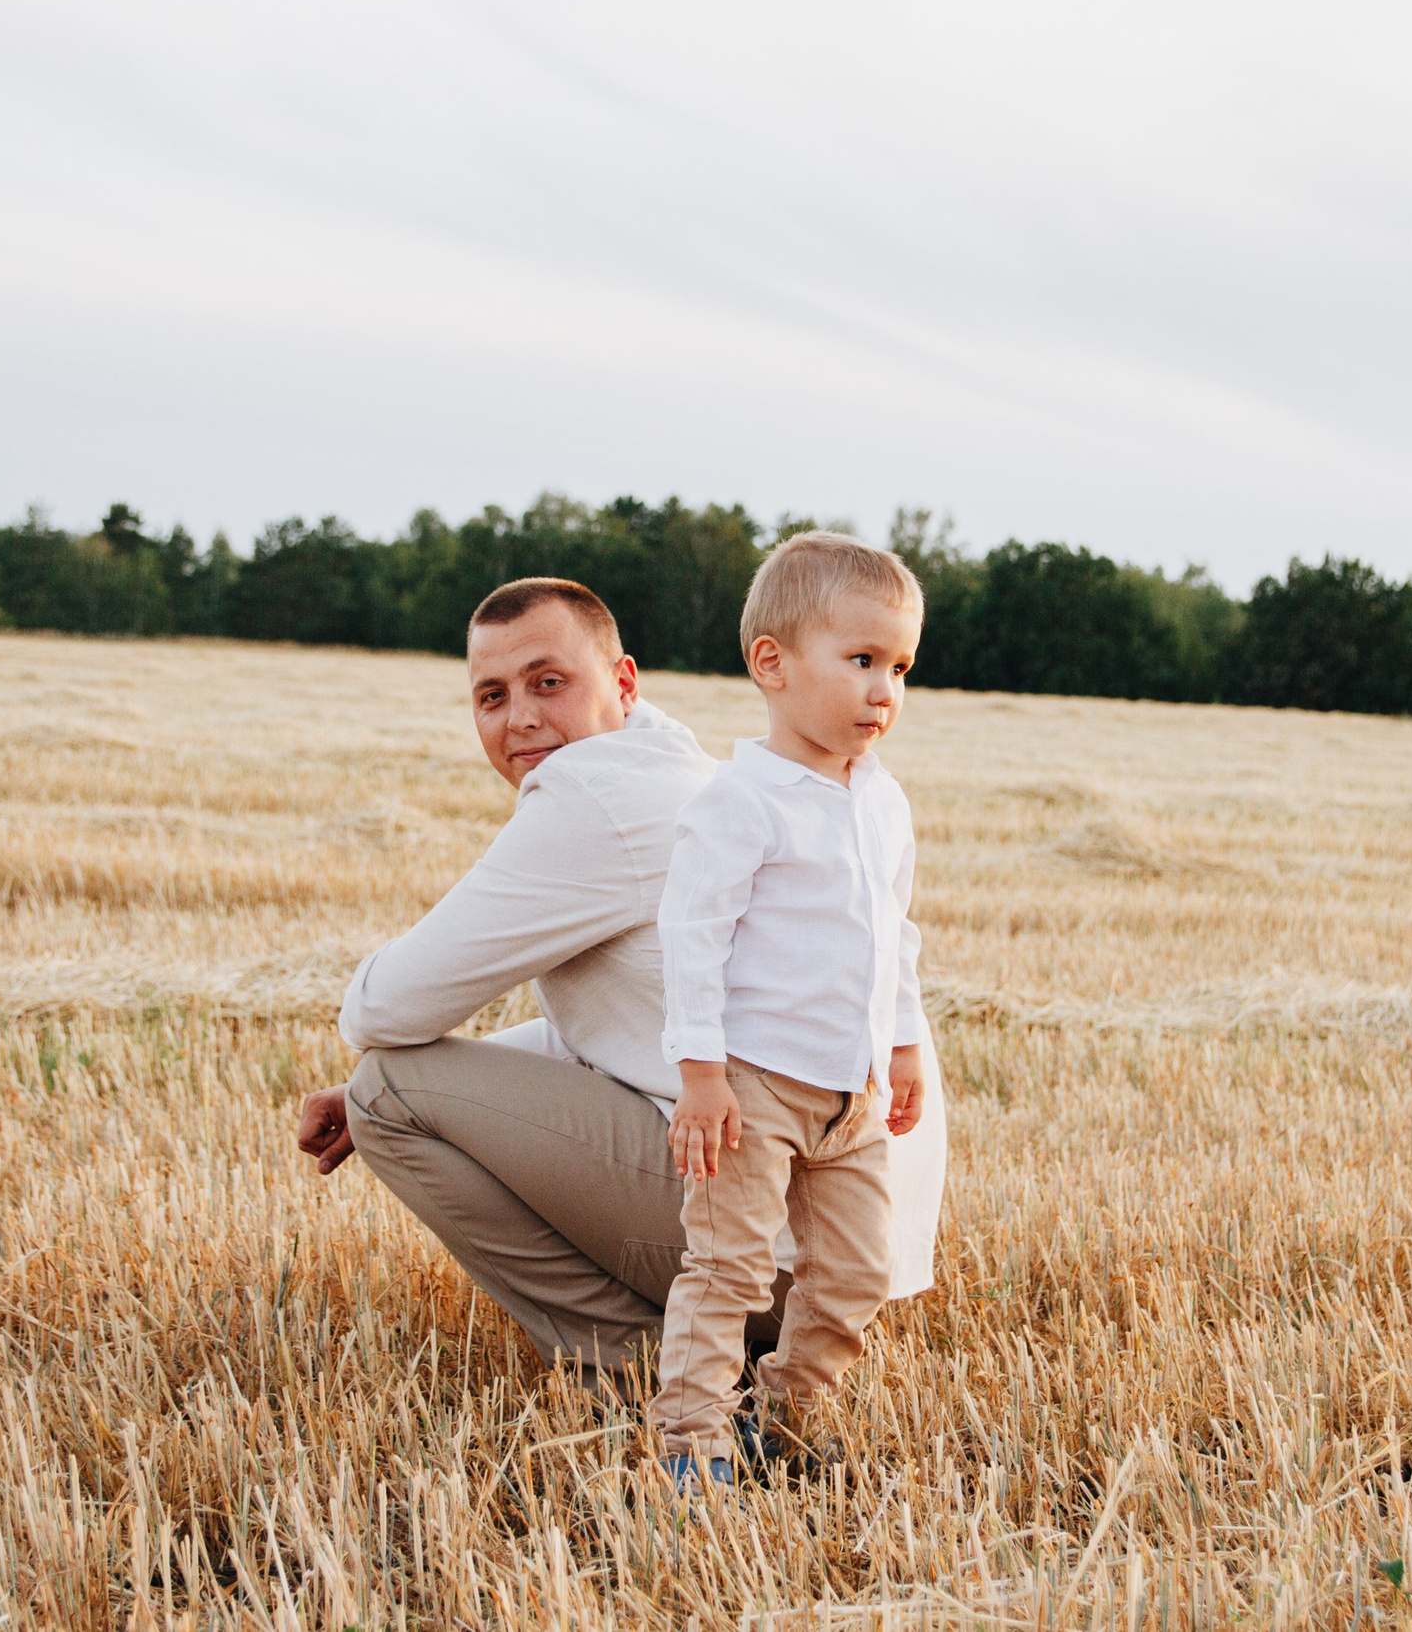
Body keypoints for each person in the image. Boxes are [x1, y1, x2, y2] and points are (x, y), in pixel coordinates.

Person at [292, 576, 946, 1382]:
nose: (521, 715)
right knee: (396, 1088)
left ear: (624, 682)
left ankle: (635, 1357)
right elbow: (612, 1037)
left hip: (771, 1249)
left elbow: (382, 1009)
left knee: (387, 1088)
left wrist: (400, 1090)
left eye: (549, 681)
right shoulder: (683, 769)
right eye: (490, 695)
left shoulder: (597, 797)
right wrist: (463, 1094)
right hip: (849, 1239)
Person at [650, 532, 929, 1489]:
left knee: (854, 1275)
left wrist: (901, 1044)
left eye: (899, 667)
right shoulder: (742, 801)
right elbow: (691, 939)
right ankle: (692, 1445)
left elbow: (894, 933)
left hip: (849, 1095)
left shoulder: (883, 803)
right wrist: (700, 1075)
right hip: (754, 1087)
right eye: (860, 661)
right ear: (772, 663)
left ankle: (793, 1421)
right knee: (727, 1268)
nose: (883, 690)